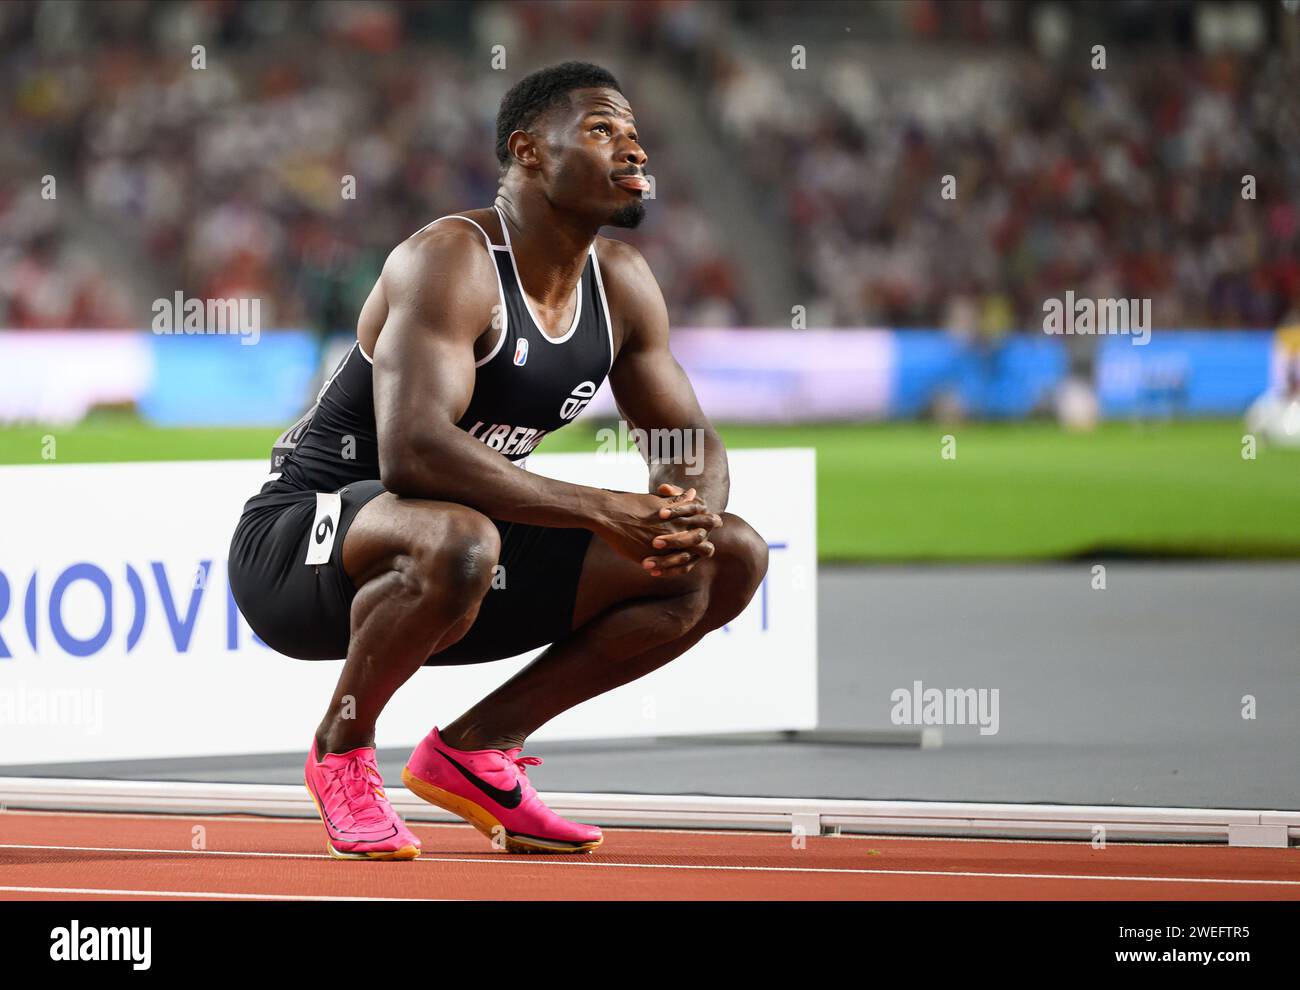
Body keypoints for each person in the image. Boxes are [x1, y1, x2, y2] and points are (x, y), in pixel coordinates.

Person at [228, 62, 769, 859]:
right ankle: (340, 753)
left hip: (467, 544)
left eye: (634, 134)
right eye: (600, 130)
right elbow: (412, 454)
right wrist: (604, 509)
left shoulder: (620, 284)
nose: (632, 150)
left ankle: (477, 750)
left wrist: (687, 513)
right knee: (458, 537)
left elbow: (688, 441)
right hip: (301, 546)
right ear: (529, 153)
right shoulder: (452, 259)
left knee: (727, 557)